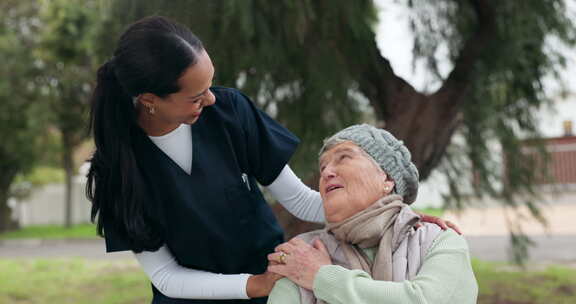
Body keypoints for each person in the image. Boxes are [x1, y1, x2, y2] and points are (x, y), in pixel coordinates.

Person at [87, 16, 458, 304]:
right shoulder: (115, 172)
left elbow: (298, 199)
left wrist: (393, 215)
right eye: (196, 97)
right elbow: (166, 275)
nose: (211, 100)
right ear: (150, 99)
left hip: (274, 291)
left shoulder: (230, 112)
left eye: (210, 86)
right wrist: (254, 284)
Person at [266, 124, 478, 304]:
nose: (327, 172)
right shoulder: (302, 253)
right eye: (323, 167)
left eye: (343, 158)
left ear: (387, 179)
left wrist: (323, 278)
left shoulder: (438, 240)